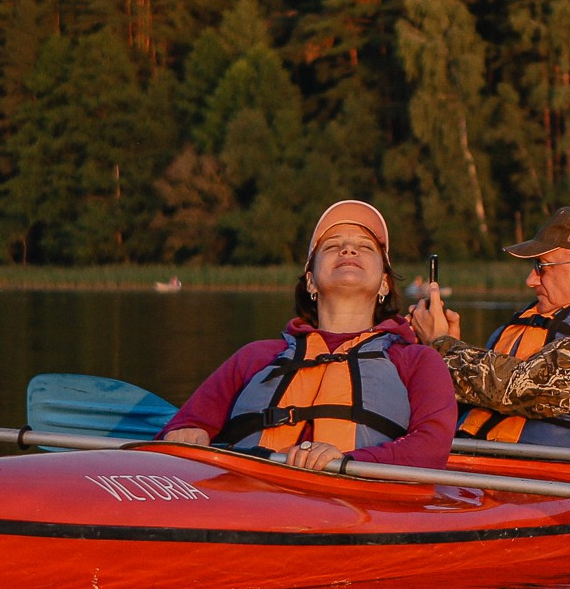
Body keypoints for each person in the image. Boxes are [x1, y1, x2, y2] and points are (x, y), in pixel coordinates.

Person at [160, 200, 457, 470]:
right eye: (332, 246)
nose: (348, 250)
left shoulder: (416, 360)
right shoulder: (255, 356)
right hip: (248, 491)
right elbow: (183, 425)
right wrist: (187, 432)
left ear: (384, 284)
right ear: (311, 282)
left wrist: (347, 461)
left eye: (365, 247)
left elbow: (431, 447)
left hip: (358, 498)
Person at [409, 205, 570, 453]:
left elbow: (522, 387)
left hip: (564, 485)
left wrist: (440, 346)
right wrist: (437, 356)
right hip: (485, 473)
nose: (530, 280)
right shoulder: (526, 323)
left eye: (541, 267)